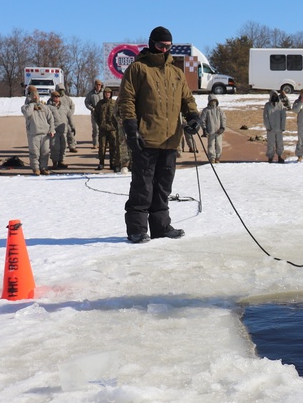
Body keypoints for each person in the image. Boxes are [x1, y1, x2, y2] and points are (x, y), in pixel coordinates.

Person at [118, 26, 200, 243]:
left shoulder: (176, 72)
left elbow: (187, 99)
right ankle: (137, 229)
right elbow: (126, 100)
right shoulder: (138, 69)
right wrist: (131, 127)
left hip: (170, 139)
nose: (164, 50)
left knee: (163, 186)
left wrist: (193, 115)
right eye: (161, 45)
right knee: (142, 186)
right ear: (151, 43)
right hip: (146, 138)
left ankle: (161, 227)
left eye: (168, 46)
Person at [21, 85, 55, 175]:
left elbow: (51, 119)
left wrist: (52, 129)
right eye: (34, 95)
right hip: (33, 134)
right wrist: (32, 104)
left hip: (45, 134)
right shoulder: (26, 107)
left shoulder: (44, 107)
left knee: (45, 153)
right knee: (34, 153)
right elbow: (27, 114)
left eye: (37, 95)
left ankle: (43, 168)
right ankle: (36, 169)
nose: (36, 97)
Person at [93, 87, 123, 172]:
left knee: (113, 147)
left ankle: (112, 164)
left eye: (109, 93)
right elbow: (95, 115)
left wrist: (116, 125)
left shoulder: (114, 103)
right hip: (103, 129)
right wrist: (99, 124)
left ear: (111, 94)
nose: (107, 94)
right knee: (102, 147)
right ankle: (101, 163)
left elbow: (119, 114)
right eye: (106, 93)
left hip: (112, 129)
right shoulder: (100, 103)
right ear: (104, 94)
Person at [47, 89, 71, 169]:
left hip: (63, 130)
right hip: (54, 130)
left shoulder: (64, 106)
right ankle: (55, 162)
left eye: (58, 97)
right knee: (55, 147)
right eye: (55, 97)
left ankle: (61, 161)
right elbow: (47, 119)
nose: (57, 98)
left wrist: (72, 126)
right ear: (52, 97)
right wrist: (50, 129)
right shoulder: (49, 107)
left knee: (63, 147)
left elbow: (69, 116)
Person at [200, 96, 226, 163]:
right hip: (210, 130)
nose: (213, 102)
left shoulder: (219, 110)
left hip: (218, 131)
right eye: (212, 101)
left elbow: (223, 119)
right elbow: (202, 120)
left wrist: (222, 127)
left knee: (219, 145)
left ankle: (218, 157)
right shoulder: (206, 110)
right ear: (209, 101)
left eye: (214, 101)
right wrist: (204, 128)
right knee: (211, 145)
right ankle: (212, 158)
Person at [263, 90, 287, 163]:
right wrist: (268, 126)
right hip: (270, 128)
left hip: (279, 128)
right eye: (273, 95)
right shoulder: (267, 105)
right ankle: (270, 157)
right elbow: (265, 117)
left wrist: (283, 127)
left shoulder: (280, 105)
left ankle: (280, 156)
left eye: (275, 95)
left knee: (280, 143)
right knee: (270, 143)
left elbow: (283, 117)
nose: (274, 97)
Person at [57, 85, 78, 153]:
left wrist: (70, 114)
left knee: (70, 133)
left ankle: (72, 146)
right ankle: (58, 148)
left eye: (62, 90)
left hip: (67, 119)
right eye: (60, 90)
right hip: (57, 120)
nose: (61, 91)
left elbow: (72, 106)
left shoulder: (67, 99)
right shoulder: (54, 98)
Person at [84, 79, 104, 149]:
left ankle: (103, 144)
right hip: (95, 113)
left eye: (99, 85)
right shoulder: (91, 94)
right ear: (95, 85)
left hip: (103, 113)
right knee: (96, 129)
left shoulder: (103, 93)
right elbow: (87, 102)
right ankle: (95, 143)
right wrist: (92, 109)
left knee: (103, 129)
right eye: (97, 85)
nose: (98, 86)